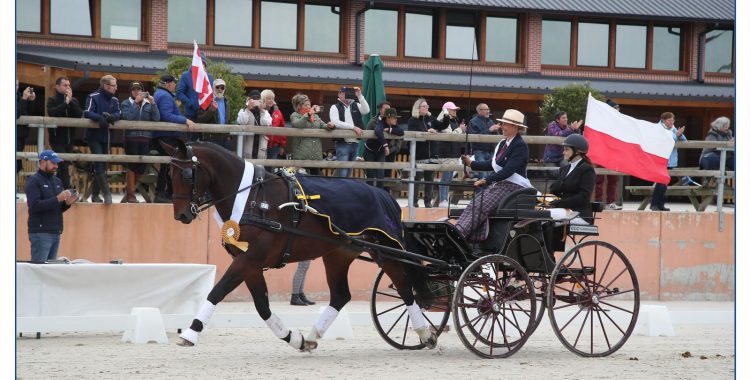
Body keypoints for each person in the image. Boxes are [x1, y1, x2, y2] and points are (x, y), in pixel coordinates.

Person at [456, 109, 532, 241]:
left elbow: (508, 171)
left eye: (505, 124)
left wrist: (486, 180)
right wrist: (471, 163)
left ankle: (461, 234)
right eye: (502, 124)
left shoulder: (520, 146)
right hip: (503, 185)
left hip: (514, 187)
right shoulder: (503, 143)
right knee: (474, 203)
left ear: (516, 127)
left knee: (482, 206)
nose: (502, 127)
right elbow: (492, 164)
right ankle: (458, 230)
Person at [25, 150, 78, 263]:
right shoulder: (33, 181)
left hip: (55, 232)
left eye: (57, 163)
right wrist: (58, 199)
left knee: (50, 271)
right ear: (43, 162)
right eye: (53, 163)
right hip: (40, 233)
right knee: (39, 270)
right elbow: (34, 207)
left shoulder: (57, 181)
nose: (56, 166)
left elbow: (56, 208)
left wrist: (67, 203)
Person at [153, 74, 195, 203]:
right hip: (166, 135)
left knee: (168, 164)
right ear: (167, 84)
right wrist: (185, 120)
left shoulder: (159, 94)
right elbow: (166, 116)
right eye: (173, 83)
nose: (175, 85)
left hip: (163, 135)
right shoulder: (165, 96)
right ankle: (162, 192)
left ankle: (166, 192)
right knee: (169, 164)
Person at [83, 75, 122, 204]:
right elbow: (88, 112)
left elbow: (120, 113)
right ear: (106, 86)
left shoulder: (115, 99)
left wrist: (112, 117)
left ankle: (95, 195)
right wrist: (101, 118)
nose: (116, 88)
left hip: (107, 136)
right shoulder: (93, 97)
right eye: (114, 85)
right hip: (94, 136)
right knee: (99, 162)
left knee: (103, 165)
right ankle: (107, 194)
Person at [121, 81, 160, 203]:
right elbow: (128, 117)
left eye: (139, 89)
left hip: (146, 139)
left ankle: (130, 191)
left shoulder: (149, 103)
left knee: (142, 168)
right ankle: (131, 194)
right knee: (132, 166)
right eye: (134, 90)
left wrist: (153, 103)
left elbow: (156, 118)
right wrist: (136, 103)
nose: (136, 92)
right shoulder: (126, 103)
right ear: (131, 91)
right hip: (130, 139)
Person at [548, 134, 596, 224]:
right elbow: (555, 189)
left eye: (567, 149)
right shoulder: (564, 169)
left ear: (578, 151)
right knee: (540, 215)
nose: (563, 152)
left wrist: (560, 203)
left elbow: (584, 197)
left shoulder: (587, 169)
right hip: (564, 210)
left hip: (579, 213)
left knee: (547, 216)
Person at [46, 76, 83, 189]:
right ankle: (66, 190)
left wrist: (70, 102)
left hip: (70, 139)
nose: (68, 87)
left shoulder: (74, 100)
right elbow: (53, 113)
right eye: (65, 85)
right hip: (56, 139)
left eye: (69, 85)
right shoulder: (52, 100)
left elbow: (79, 114)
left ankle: (59, 188)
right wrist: (65, 104)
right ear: (57, 87)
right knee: (62, 164)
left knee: (65, 164)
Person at [408, 98, 446, 207]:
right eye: (424, 106)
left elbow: (442, 125)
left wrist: (446, 115)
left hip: (432, 154)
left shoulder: (430, 118)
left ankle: (427, 202)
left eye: (427, 105)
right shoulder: (413, 120)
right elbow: (412, 133)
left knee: (429, 181)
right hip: (419, 154)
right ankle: (414, 202)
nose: (427, 107)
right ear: (418, 108)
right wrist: (426, 132)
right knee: (416, 179)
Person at [289, 93, 334, 175]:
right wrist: (308, 114)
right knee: (300, 178)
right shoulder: (295, 115)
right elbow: (299, 124)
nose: (308, 107)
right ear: (299, 106)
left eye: (309, 105)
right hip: (301, 154)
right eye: (305, 105)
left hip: (315, 154)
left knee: (317, 178)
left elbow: (323, 125)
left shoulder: (316, 117)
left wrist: (330, 126)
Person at [650, 112, 687, 211]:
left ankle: (659, 205)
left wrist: (680, 134)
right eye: (669, 120)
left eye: (673, 120)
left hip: (670, 160)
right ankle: (655, 204)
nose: (672, 122)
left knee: (663, 184)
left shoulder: (673, 129)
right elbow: (664, 140)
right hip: (660, 159)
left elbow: (685, 141)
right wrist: (676, 135)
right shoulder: (658, 128)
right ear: (663, 120)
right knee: (661, 183)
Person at [329, 86, 368, 177]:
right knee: (343, 172)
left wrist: (359, 95)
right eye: (343, 92)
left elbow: (366, 110)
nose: (346, 94)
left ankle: (341, 189)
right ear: (339, 94)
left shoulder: (355, 105)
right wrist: (353, 127)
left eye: (348, 92)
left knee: (348, 172)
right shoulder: (334, 107)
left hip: (355, 143)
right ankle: (340, 189)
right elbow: (335, 122)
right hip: (343, 143)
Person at [434, 101, 466, 207]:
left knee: (448, 177)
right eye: (453, 109)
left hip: (453, 152)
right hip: (446, 152)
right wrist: (460, 130)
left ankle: (444, 200)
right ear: (447, 110)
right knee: (446, 177)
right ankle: (443, 200)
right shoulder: (443, 120)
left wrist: (461, 130)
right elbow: (449, 135)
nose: (455, 111)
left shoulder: (453, 120)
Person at [176, 51, 213, 139]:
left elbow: (211, 93)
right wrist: (190, 103)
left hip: (205, 114)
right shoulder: (186, 75)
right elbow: (179, 93)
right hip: (190, 114)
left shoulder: (209, 77)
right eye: (200, 62)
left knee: (204, 143)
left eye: (204, 63)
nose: (202, 65)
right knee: (190, 142)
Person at [363, 108, 404, 188]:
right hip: (370, 150)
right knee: (370, 174)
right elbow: (377, 131)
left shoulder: (394, 125)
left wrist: (390, 130)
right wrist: (386, 145)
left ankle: (380, 193)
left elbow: (401, 132)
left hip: (380, 151)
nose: (396, 119)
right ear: (388, 118)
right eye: (394, 117)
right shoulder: (381, 123)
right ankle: (370, 194)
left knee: (381, 173)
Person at [594, 100, 623, 210]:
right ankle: (598, 202)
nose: (618, 110)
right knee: (599, 179)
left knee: (613, 179)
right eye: (615, 108)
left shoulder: (621, 121)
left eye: (618, 108)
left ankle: (611, 202)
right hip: (602, 153)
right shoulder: (601, 121)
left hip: (614, 154)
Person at [467, 103, 500, 180]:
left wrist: (496, 130)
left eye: (488, 109)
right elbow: (474, 137)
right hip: (480, 152)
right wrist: (489, 130)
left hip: (491, 152)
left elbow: (497, 137)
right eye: (485, 109)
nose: (488, 111)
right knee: (483, 174)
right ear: (479, 111)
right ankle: (481, 192)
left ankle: (488, 192)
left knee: (491, 175)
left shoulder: (490, 121)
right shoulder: (473, 122)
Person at [197, 78, 232, 150]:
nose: (220, 89)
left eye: (222, 87)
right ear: (213, 88)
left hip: (225, 138)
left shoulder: (226, 102)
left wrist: (228, 135)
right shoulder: (206, 101)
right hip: (211, 138)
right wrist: (211, 111)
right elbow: (200, 120)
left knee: (225, 160)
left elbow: (228, 119)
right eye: (217, 87)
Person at [237, 89, 272, 159]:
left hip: (260, 146)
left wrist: (262, 110)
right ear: (248, 100)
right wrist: (248, 109)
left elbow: (267, 122)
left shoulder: (265, 112)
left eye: (257, 99)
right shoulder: (243, 111)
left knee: (260, 166)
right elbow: (241, 121)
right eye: (253, 99)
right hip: (247, 146)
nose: (255, 101)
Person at [260, 89, 287, 165]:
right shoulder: (259, 111)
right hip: (261, 144)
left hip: (274, 145)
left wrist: (282, 145)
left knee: (271, 167)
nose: (271, 100)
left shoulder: (277, 112)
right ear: (263, 99)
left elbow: (282, 128)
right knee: (261, 165)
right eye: (269, 98)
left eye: (272, 98)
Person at [17, 80, 36, 175]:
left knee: (17, 164)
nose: (16, 87)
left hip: (21, 134)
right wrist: (24, 99)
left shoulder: (18, 96)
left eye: (17, 84)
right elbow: (16, 113)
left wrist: (30, 101)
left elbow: (26, 112)